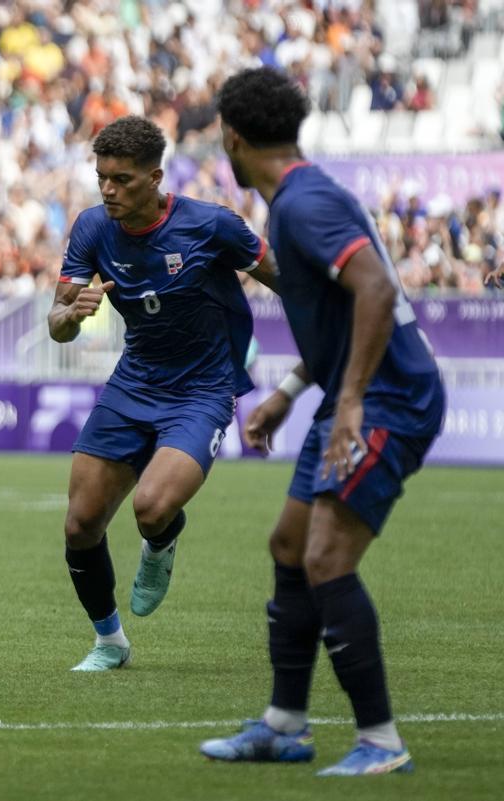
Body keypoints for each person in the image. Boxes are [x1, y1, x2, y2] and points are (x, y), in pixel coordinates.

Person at [201, 67, 445, 775]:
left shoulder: (302, 205)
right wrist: (291, 387)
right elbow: (346, 309)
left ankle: (380, 741)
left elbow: (373, 287)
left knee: (326, 558)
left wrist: (347, 403)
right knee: (289, 542)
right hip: (359, 390)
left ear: (233, 137)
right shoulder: (298, 199)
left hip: (391, 398)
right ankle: (283, 724)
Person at [49, 116, 277, 672]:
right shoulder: (91, 229)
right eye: (101, 177)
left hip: (203, 387)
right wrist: (71, 316)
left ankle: (161, 542)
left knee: (152, 509)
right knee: (80, 524)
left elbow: (288, 279)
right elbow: (57, 322)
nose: (108, 190)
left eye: (121, 180)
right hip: (135, 380)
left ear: (155, 179)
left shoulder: (210, 226)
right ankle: (110, 643)